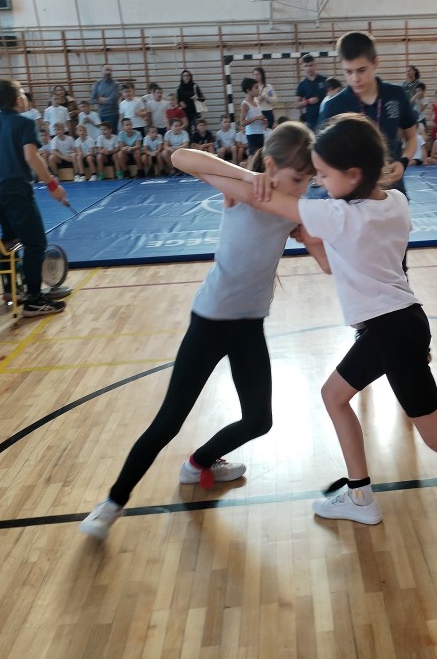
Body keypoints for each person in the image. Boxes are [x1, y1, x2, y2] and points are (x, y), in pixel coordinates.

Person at [170, 113, 437, 543]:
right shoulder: (396, 202)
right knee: (334, 396)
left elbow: (242, 189)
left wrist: (251, 178)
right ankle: (359, 497)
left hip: (393, 331)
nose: (318, 184)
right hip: (397, 323)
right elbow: (338, 264)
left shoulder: (335, 215)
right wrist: (314, 241)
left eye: (323, 175)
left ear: (353, 174)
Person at [79, 123, 317, 540]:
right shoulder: (242, 191)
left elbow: (315, 231)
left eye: (308, 180)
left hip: (249, 325)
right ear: (271, 166)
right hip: (210, 321)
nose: (303, 188)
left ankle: (199, 463)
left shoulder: (292, 206)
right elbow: (180, 157)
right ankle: (112, 502)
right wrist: (248, 176)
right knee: (168, 421)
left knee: (259, 420)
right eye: (298, 179)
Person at [0, 79, 68, 317]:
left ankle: (12, 290)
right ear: (17, 99)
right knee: (35, 243)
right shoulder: (24, 123)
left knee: (9, 238)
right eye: (22, 93)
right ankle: (33, 299)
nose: (24, 97)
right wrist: (52, 185)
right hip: (14, 188)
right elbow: (31, 158)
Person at [317, 32, 417, 195]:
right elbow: (320, 156)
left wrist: (403, 162)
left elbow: (412, 136)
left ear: (375, 63)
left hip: (391, 188)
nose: (355, 78)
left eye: (361, 70)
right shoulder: (333, 107)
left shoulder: (396, 95)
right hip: (352, 195)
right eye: (348, 72)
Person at [295, 54, 327, 130]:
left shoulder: (324, 80)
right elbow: (296, 104)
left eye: (311, 65)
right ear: (302, 67)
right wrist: (308, 101)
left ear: (315, 65)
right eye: (306, 66)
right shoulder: (302, 85)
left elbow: (334, 95)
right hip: (311, 121)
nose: (309, 68)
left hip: (326, 117)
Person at [240, 77, 267, 157]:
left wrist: (264, 121)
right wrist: (256, 118)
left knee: (260, 157)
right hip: (252, 134)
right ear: (248, 90)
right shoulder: (245, 104)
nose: (258, 89)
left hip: (260, 133)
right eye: (256, 87)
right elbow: (242, 123)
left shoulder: (257, 101)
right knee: (254, 157)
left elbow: (259, 116)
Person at [90, 64, 120, 129]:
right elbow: (92, 100)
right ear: (102, 71)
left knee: (112, 133)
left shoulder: (115, 84)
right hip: (100, 114)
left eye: (110, 70)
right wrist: (106, 100)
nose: (108, 72)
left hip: (112, 114)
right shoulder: (97, 84)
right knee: (101, 133)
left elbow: (113, 100)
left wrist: (101, 100)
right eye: (106, 70)